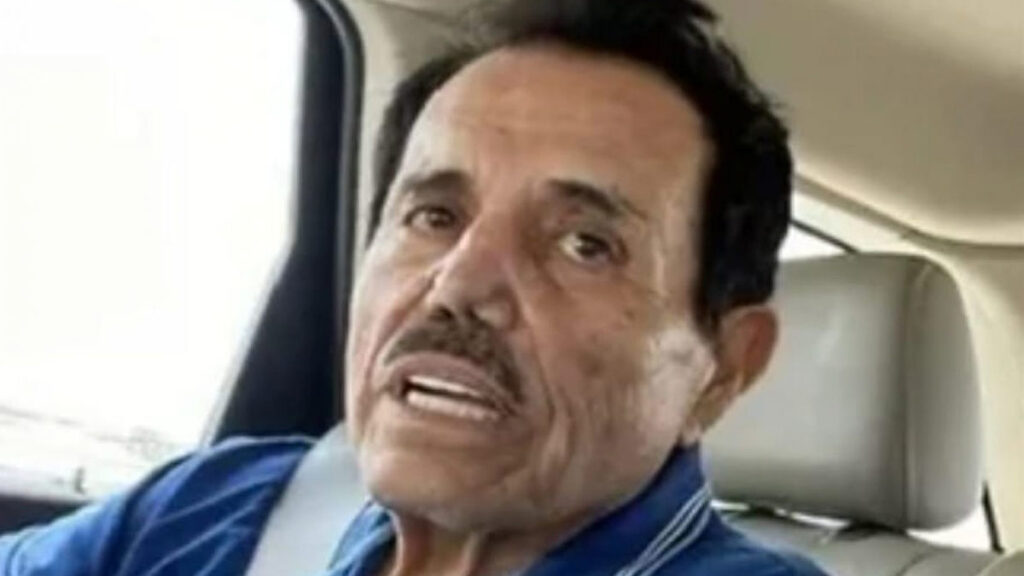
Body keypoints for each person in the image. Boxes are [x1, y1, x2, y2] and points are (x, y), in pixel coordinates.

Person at [0, 0, 829, 574]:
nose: (459, 283)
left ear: (724, 368)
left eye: (584, 244)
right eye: (435, 215)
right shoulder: (212, 506)